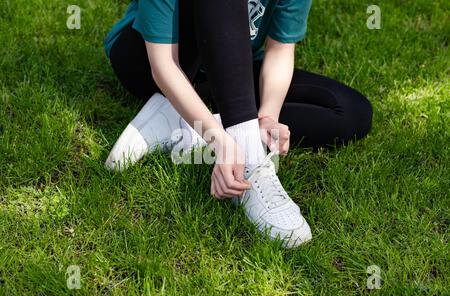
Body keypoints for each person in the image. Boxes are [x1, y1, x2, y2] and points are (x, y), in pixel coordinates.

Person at [103, 0, 373, 248]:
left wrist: (269, 116)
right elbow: (163, 64)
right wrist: (218, 140)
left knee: (351, 112)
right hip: (151, 62)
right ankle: (249, 161)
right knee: (231, 128)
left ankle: (180, 122)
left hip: (232, 73)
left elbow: (279, 49)